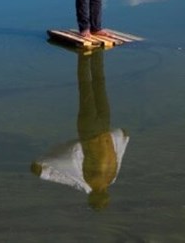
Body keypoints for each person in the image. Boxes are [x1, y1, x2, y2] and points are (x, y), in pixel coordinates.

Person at [31, 50, 129, 210]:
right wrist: (123, 137)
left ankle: (83, 56)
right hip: (104, 127)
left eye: (101, 198)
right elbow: (118, 155)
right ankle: (97, 53)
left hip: (89, 130)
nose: (104, 194)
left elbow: (65, 177)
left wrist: (43, 172)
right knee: (100, 83)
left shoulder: (85, 183)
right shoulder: (111, 179)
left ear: (94, 197)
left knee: (86, 88)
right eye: (104, 197)